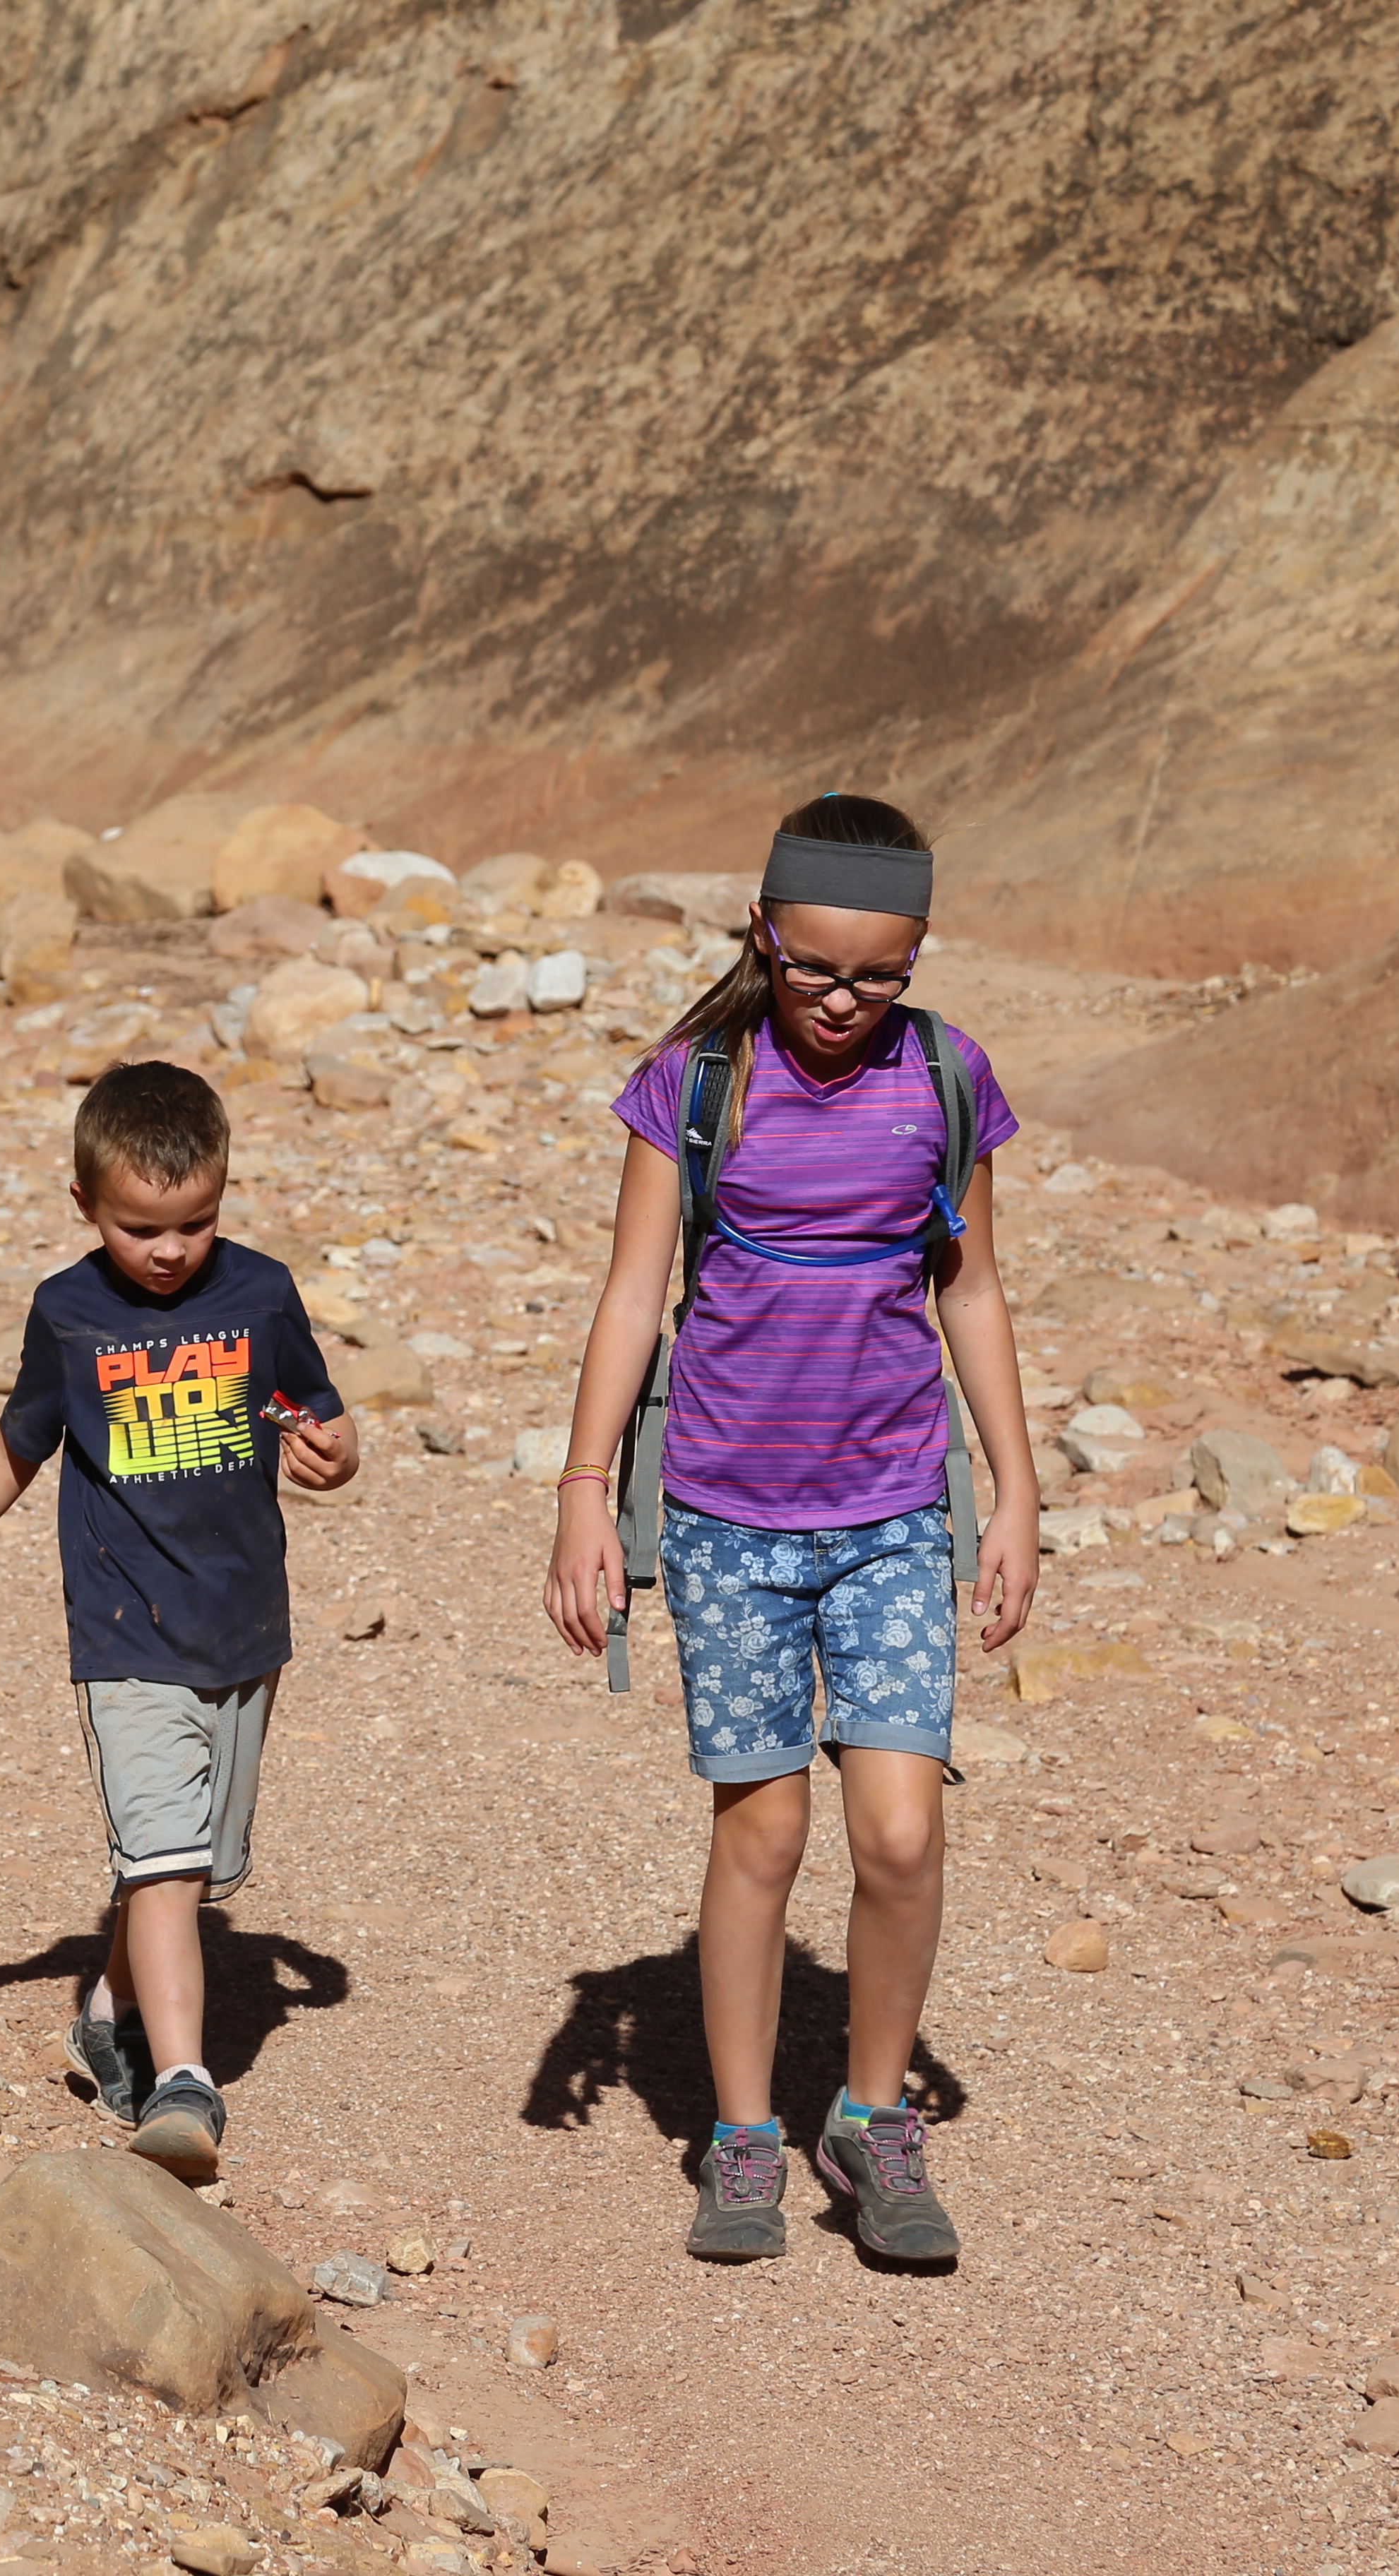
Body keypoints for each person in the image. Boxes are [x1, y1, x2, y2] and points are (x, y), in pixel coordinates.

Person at [542, 793, 1040, 2265]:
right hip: (724, 1520)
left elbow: (977, 1291)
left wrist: (1017, 1492)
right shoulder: (698, 1083)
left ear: (918, 957)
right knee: (762, 1832)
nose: (845, 1002)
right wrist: (582, 1498)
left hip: (892, 1513)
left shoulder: (944, 1080)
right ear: (766, 933)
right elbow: (635, 1297)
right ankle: (746, 2135)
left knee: (901, 1832)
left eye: (881, 975)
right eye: (819, 969)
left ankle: (875, 2121)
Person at [0, 1060, 356, 2184]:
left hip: (245, 1629)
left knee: (192, 1866)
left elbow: (318, 1417)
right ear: (85, 1204)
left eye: (196, 1223)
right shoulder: (70, 1316)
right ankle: (186, 2084)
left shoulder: (261, 1294)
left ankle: (109, 2011)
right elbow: (17, 1448)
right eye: (141, 1229)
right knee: (167, 1864)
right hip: (127, 1632)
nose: (171, 1250)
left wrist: (336, 1454)